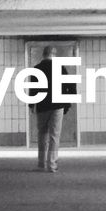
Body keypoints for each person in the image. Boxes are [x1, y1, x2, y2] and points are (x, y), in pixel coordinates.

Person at [33, 44, 75, 173]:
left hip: (42, 105)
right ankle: (52, 164)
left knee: (42, 134)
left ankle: (41, 163)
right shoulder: (60, 68)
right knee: (54, 135)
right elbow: (70, 85)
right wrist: (68, 103)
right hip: (57, 105)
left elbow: (33, 89)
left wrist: (31, 105)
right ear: (54, 55)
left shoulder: (37, 69)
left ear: (43, 54)